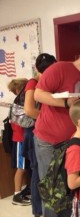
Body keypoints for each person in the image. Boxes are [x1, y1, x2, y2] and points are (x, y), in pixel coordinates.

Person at [33, 46, 80, 217]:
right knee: (52, 190)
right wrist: (66, 103)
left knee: (66, 187)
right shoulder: (59, 69)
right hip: (48, 141)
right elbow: (38, 94)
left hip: (70, 142)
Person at [23, 53, 56, 217]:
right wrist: (48, 119)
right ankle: (38, 211)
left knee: (42, 172)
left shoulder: (46, 83)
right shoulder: (33, 83)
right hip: (34, 132)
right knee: (38, 172)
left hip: (43, 130)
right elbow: (28, 110)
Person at [7, 78, 31, 206]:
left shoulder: (21, 104)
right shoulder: (17, 106)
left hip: (23, 140)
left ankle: (24, 191)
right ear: (18, 90)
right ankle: (16, 195)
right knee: (20, 168)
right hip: (19, 140)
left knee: (26, 167)